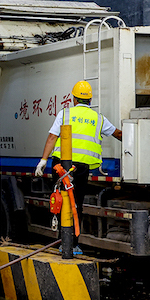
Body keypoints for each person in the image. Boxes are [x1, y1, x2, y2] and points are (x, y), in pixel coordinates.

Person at [34, 80, 122, 219]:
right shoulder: (98, 118)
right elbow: (118, 134)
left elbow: (52, 136)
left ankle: (62, 237)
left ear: (73, 98)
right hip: (81, 167)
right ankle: (74, 238)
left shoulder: (65, 114)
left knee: (60, 200)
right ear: (90, 100)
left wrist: (43, 160)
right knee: (77, 202)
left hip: (61, 165)